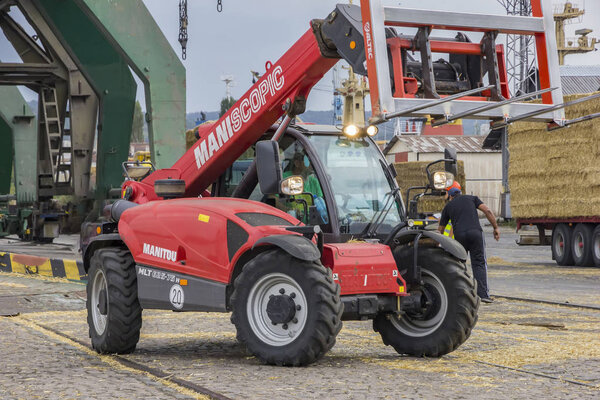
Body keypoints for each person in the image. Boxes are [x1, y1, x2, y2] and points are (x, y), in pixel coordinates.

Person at [437, 183, 500, 304]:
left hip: (459, 236)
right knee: (479, 263)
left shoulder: (448, 206)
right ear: (460, 193)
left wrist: (437, 245)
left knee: (459, 264)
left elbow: (440, 230)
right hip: (476, 234)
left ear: (450, 196)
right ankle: (483, 295)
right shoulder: (472, 198)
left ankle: (461, 294)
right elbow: (487, 210)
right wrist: (495, 228)